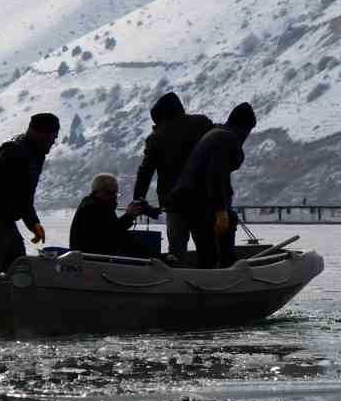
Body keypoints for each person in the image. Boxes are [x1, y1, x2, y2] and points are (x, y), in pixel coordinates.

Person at [0, 112, 60, 275]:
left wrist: (33, 223)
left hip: (5, 217)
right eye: (53, 136)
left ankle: (11, 297)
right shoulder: (14, 150)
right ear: (43, 134)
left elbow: (25, 197)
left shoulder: (37, 155)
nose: (54, 141)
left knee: (19, 266)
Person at [168, 102, 256, 269]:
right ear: (245, 128)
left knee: (211, 246)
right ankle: (220, 278)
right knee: (212, 251)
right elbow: (217, 175)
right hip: (198, 202)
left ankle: (214, 273)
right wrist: (221, 210)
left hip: (187, 200)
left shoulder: (215, 133)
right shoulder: (226, 138)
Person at [130, 92, 213, 260]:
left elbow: (145, 172)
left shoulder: (156, 138)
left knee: (176, 249)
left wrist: (138, 198)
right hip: (205, 197)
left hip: (175, 201)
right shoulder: (202, 124)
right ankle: (212, 278)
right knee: (207, 246)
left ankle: (176, 279)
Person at [68, 173, 150, 257]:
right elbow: (113, 235)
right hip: (93, 259)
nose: (113, 197)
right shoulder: (93, 207)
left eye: (115, 193)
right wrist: (129, 216)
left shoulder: (98, 204)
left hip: (96, 256)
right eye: (109, 193)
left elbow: (113, 231)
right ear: (97, 192)